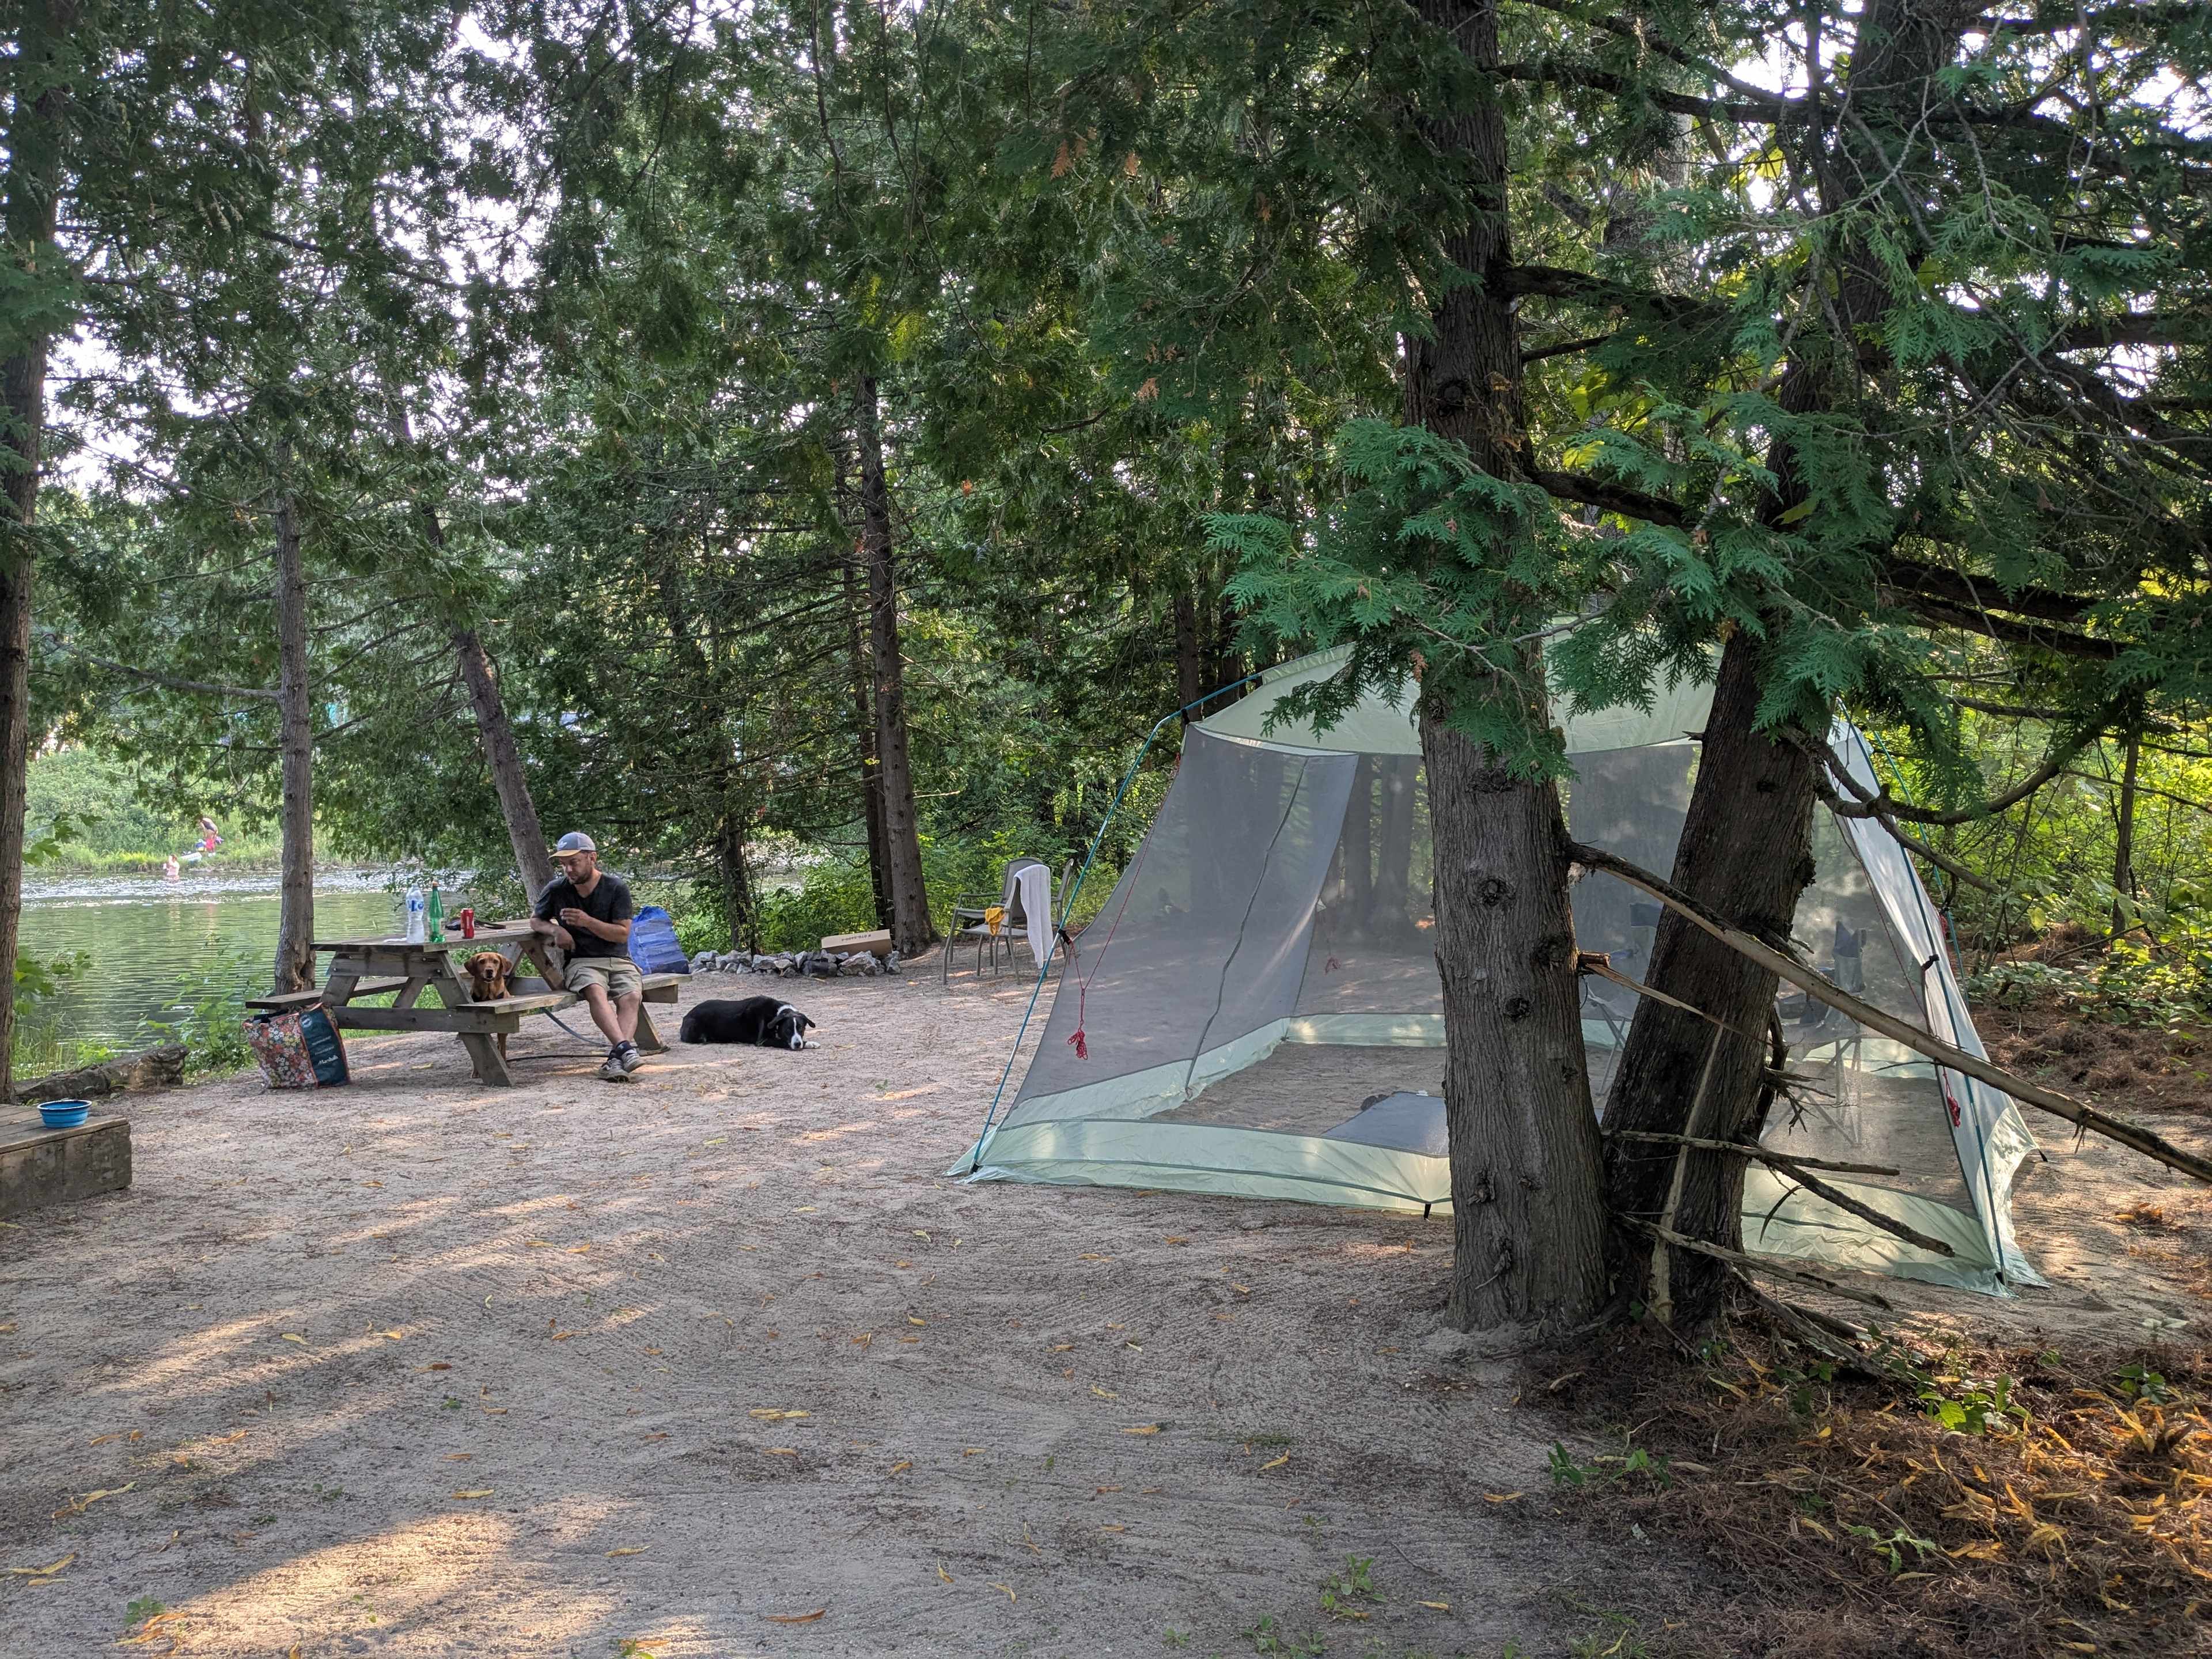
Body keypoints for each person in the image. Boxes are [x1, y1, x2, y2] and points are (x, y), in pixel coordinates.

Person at [529, 831, 645, 1081]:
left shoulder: (616, 888)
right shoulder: (556, 890)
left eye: (574, 862)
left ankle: (615, 1059)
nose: (568, 869)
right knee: (594, 989)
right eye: (563, 864)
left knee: (632, 995)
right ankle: (626, 1050)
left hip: (618, 959)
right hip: (582, 961)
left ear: (592, 858)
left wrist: (587, 922)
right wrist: (556, 929)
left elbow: (622, 935)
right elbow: (536, 920)